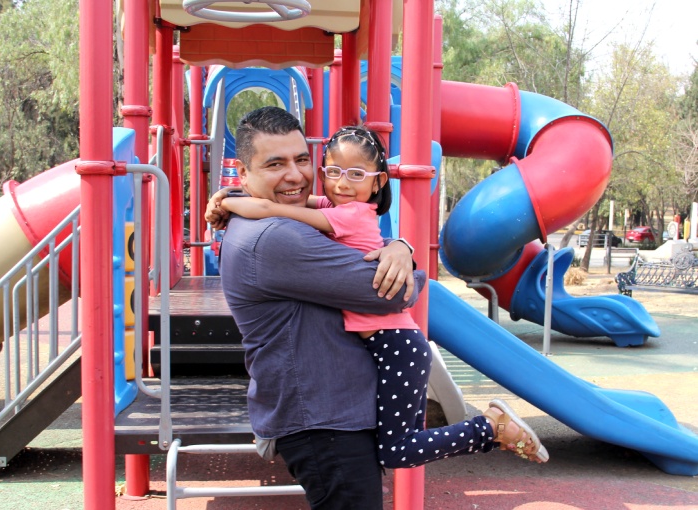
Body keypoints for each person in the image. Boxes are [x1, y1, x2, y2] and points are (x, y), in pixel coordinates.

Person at [208, 123, 549, 472]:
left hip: (396, 346)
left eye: (356, 174)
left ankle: (490, 428)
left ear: (378, 182)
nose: (342, 182)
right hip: (391, 344)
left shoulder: (348, 213)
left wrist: (231, 202)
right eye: (334, 171)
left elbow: (272, 209)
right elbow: (294, 200)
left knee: (397, 450)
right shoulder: (332, 204)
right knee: (400, 445)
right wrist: (230, 194)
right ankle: (490, 428)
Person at [205, 107, 423, 509]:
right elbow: (394, 294)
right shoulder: (275, 237)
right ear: (244, 171)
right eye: (275, 164)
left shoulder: (291, 220)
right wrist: (407, 262)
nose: (295, 175)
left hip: (328, 413)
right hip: (323, 420)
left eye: (301, 159)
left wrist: (401, 247)